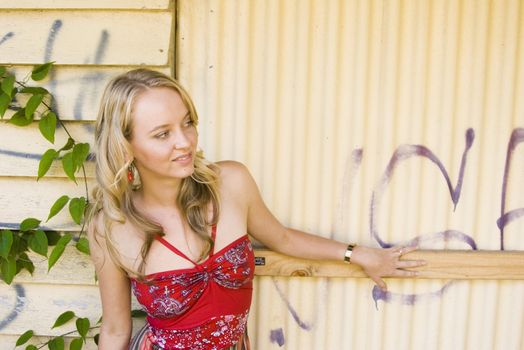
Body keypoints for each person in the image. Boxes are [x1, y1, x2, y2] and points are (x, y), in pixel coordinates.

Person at [87, 68, 424, 350]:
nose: (186, 141)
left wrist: (358, 254)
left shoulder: (231, 183)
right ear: (125, 146)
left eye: (187, 122)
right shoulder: (111, 227)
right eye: (163, 134)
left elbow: (283, 238)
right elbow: (116, 330)